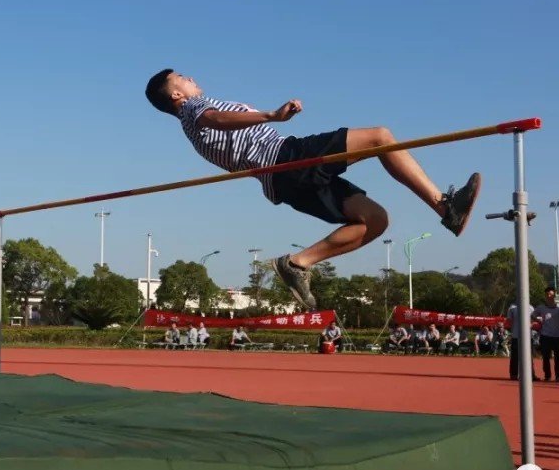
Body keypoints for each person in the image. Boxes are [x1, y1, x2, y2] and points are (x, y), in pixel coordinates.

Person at [145, 70, 481, 309]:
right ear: (176, 94)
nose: (190, 78)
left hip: (282, 182)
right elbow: (214, 119)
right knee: (381, 137)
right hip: (286, 159)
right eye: (182, 79)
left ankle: (297, 263)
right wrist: (270, 116)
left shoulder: (191, 124)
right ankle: (445, 207)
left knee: (375, 219)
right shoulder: (193, 110)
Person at [532, 287, 559, 382]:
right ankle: (548, 376)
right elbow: (532, 315)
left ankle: (558, 376)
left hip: (557, 336)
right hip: (545, 335)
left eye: (551, 294)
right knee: (546, 357)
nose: (549, 296)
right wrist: (539, 321)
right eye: (547, 295)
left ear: (554, 295)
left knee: (557, 358)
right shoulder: (541, 307)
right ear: (545, 296)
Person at [505, 302, 535, 381]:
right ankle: (514, 374)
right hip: (516, 335)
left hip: (528, 336)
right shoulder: (512, 307)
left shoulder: (531, 307)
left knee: (529, 357)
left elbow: (533, 321)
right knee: (515, 356)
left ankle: (531, 375)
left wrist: (531, 324)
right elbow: (508, 321)